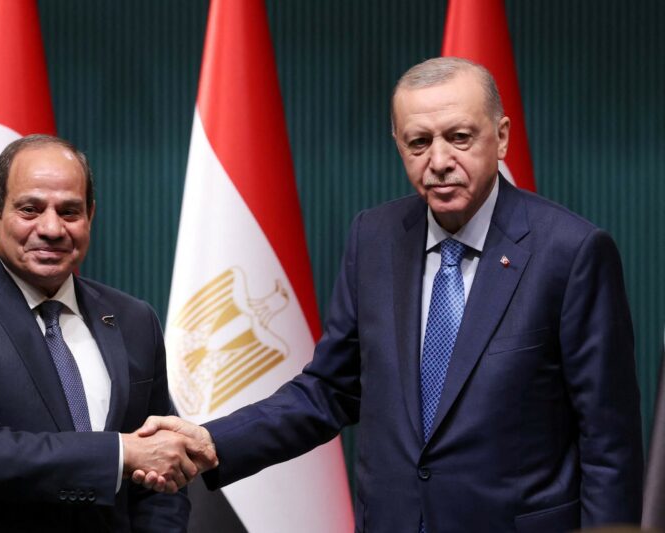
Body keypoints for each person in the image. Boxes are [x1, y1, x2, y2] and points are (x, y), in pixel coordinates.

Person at [134, 57, 644, 532]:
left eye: (459, 137)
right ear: (398, 143)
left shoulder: (571, 252)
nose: (439, 161)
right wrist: (213, 440)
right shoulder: (374, 238)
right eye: (419, 142)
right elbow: (330, 390)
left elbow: (609, 442)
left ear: (502, 136)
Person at [0, 135, 216, 532]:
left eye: (69, 211)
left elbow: (161, 473)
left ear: (90, 216)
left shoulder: (133, 319)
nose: (51, 228)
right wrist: (120, 453)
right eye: (30, 209)